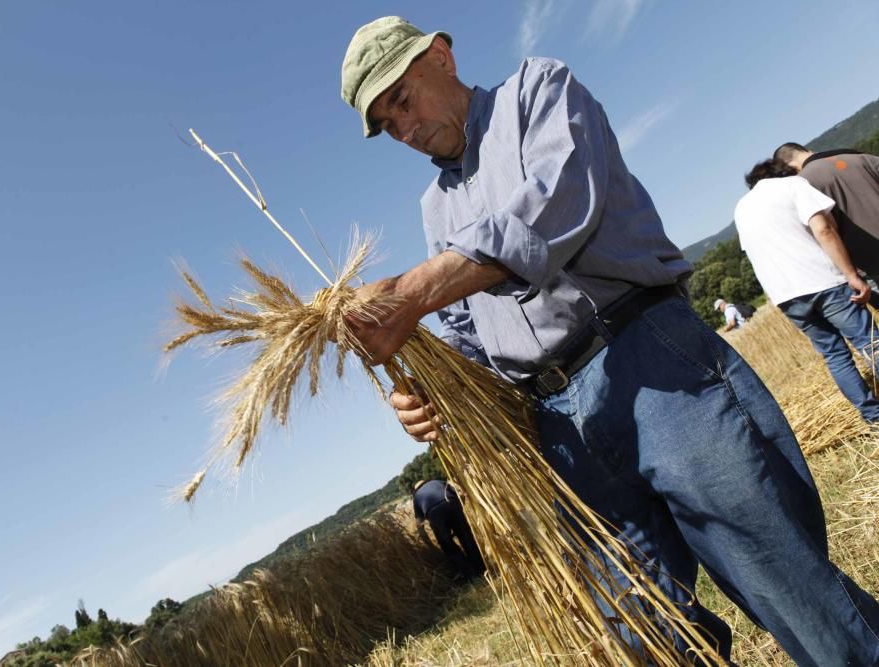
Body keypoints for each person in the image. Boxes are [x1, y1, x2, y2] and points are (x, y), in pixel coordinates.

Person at [339, 15, 879, 665]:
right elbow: (467, 337)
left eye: (402, 99)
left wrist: (418, 288)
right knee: (645, 633)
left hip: (649, 360)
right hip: (559, 427)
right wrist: (433, 397)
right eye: (388, 124)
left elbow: (557, 208)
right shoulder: (436, 210)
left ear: (442, 58)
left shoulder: (536, 90)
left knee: (786, 582)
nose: (405, 127)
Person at [734, 158, 879, 423]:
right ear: (783, 172)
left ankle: (873, 416)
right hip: (824, 281)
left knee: (835, 356)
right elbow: (823, 229)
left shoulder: (741, 209)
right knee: (869, 341)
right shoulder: (792, 185)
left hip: (787, 297)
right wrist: (851, 274)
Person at [774, 141, 879, 302]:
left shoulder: (802, 184)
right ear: (808, 150)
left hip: (868, 261)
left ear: (789, 168)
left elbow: (824, 230)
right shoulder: (861, 158)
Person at [411, 479, 485, 582]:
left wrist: (428, 543)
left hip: (434, 513)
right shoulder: (438, 482)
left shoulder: (417, 496)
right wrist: (459, 510)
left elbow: (419, 524)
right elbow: (460, 495)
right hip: (451, 503)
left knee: (447, 545)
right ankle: (481, 568)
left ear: (416, 489)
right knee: (466, 537)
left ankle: (470, 574)